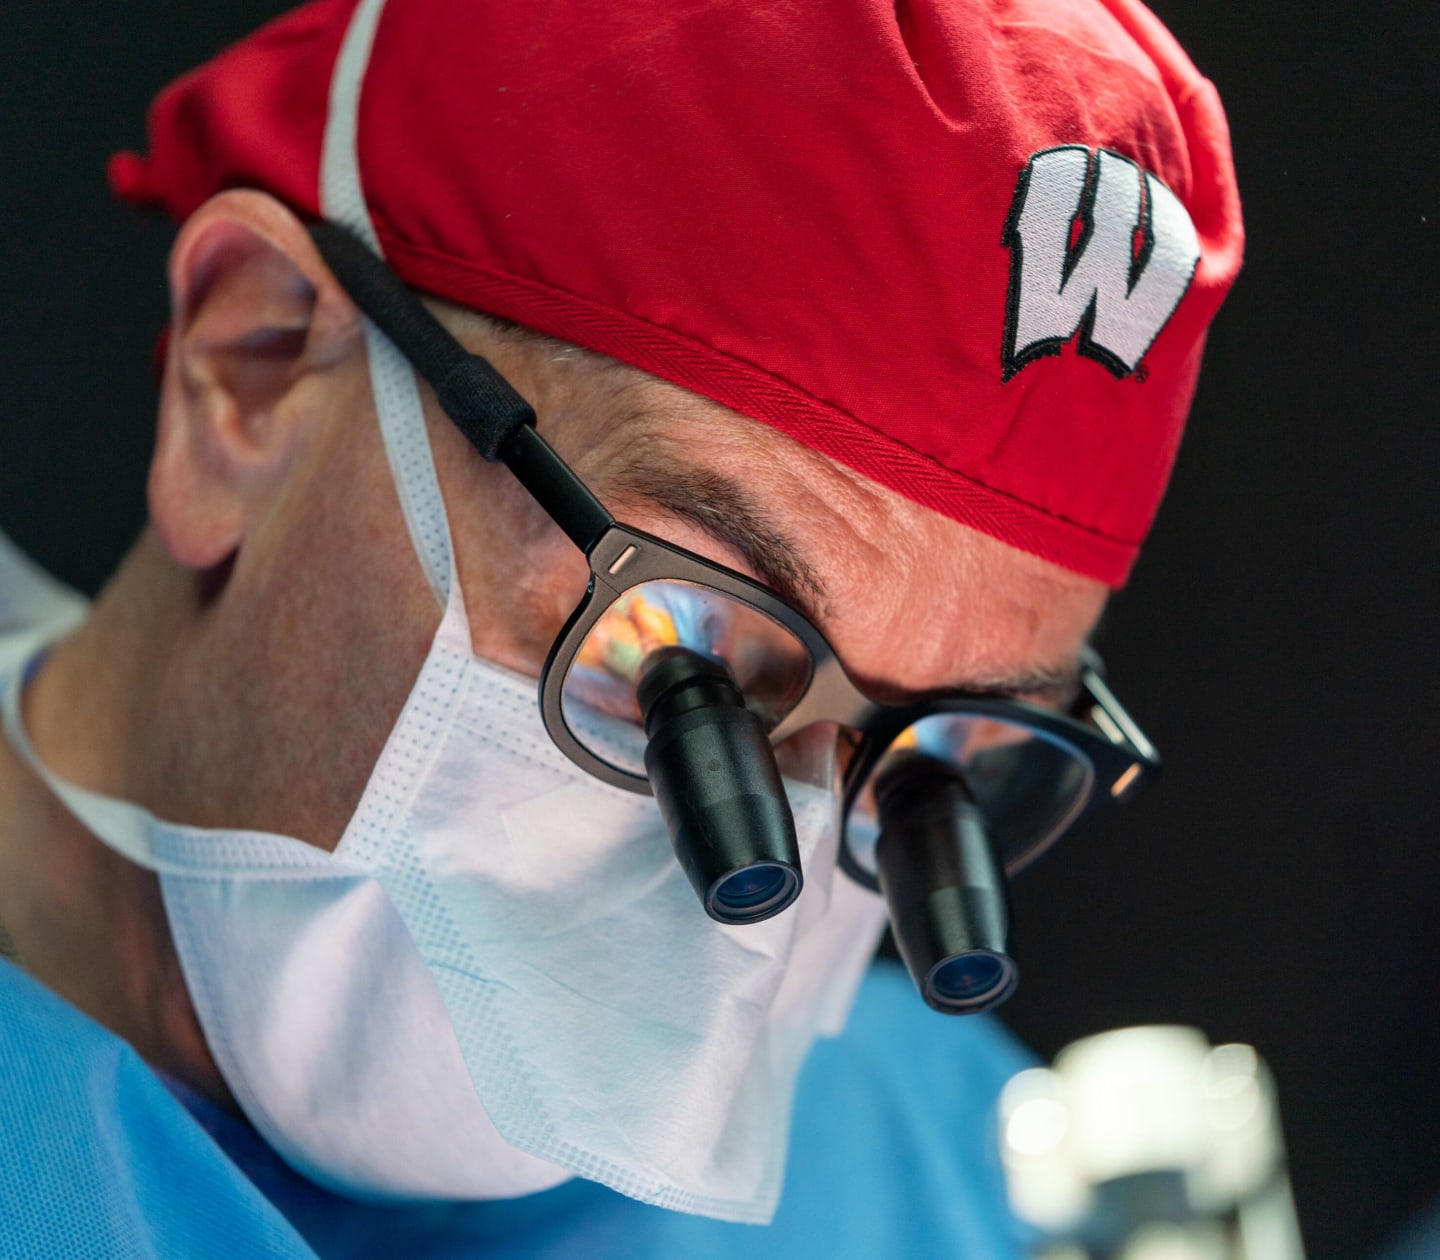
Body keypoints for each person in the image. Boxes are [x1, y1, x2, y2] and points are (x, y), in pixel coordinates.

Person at [0, 0, 1242, 1255]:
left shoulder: (923, 1168)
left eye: (932, 765)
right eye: (678, 661)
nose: (772, 899)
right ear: (256, 371)